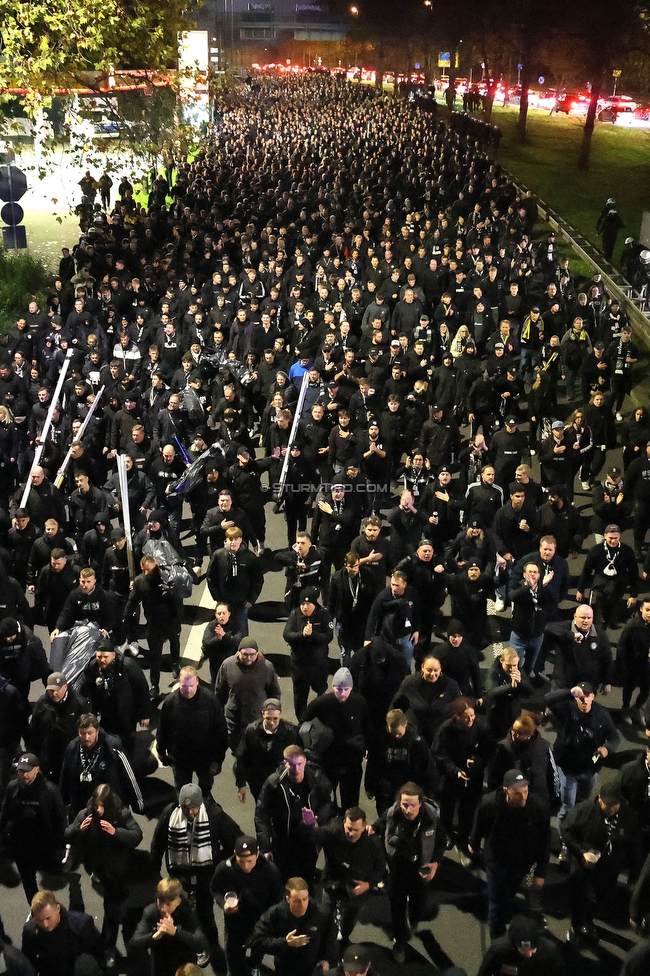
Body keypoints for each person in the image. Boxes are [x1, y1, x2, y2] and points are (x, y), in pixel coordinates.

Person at [150, 783, 242, 968]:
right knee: (181, 913)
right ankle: (187, 946)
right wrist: (154, 873)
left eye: (194, 808)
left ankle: (209, 947)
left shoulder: (213, 814)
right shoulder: (169, 814)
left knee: (206, 914)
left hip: (205, 874)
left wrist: (221, 863)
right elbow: (158, 843)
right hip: (179, 874)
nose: (191, 812)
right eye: (186, 808)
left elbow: (235, 837)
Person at [64, 784, 142, 968]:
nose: (99, 810)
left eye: (102, 806)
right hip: (98, 868)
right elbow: (66, 834)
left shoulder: (120, 813)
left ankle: (109, 947)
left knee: (113, 911)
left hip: (116, 870)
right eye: (96, 805)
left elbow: (137, 835)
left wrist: (116, 832)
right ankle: (106, 946)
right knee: (111, 908)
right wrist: (78, 830)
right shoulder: (86, 815)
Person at [372, 781, 447, 962]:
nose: (408, 809)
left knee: (418, 904)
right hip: (398, 868)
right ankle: (399, 941)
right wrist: (372, 828)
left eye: (412, 805)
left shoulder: (431, 818)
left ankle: (413, 919)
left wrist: (435, 863)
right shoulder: (392, 814)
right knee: (397, 906)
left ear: (420, 803)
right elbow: (379, 824)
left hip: (420, 868)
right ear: (399, 802)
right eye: (405, 804)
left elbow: (442, 841)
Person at [469, 769, 550, 937]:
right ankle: (497, 938)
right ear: (506, 790)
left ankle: (505, 908)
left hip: (521, 863)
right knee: (496, 902)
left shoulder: (537, 807)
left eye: (526, 791)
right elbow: (479, 825)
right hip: (496, 861)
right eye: (518, 793)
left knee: (509, 893)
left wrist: (540, 872)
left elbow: (545, 840)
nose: (523, 797)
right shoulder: (490, 803)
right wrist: (474, 844)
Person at [544, 682, 620, 858]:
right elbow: (548, 699)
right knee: (568, 805)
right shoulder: (567, 709)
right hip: (568, 769)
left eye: (588, 695)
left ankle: (578, 833)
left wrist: (607, 748)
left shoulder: (602, 715)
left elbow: (614, 737)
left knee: (585, 804)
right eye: (581, 696)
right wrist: (569, 692)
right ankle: (565, 841)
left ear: (593, 696)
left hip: (590, 769)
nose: (584, 699)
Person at [563, 778, 641, 944]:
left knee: (598, 899)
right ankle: (576, 926)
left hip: (609, 869)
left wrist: (633, 876)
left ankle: (589, 922)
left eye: (616, 804)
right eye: (609, 804)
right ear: (599, 798)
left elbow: (634, 846)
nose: (613, 808)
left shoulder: (627, 817)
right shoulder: (584, 811)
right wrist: (582, 852)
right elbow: (567, 832)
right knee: (579, 898)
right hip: (584, 867)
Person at [254, 744, 334, 884]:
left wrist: (316, 821)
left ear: (305, 762)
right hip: (283, 839)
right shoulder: (274, 783)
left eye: (299, 764)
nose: (296, 769)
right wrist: (265, 846)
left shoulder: (317, 779)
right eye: (291, 764)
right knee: (283, 880)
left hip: (308, 839)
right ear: (285, 763)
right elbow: (261, 814)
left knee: (307, 878)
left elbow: (328, 804)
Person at [210, 835, 284, 976]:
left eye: (249, 861)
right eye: (241, 861)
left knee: (258, 949)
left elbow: (277, 898)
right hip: (235, 922)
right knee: (233, 956)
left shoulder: (270, 871)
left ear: (257, 855)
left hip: (260, 921)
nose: (246, 866)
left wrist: (269, 919)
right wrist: (223, 903)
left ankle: (255, 966)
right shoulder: (225, 868)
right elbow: (215, 889)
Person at [0, 752, 67, 906]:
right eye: (21, 771)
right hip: (21, 845)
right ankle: (36, 909)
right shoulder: (12, 788)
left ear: (37, 769)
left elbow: (60, 820)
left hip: (44, 845)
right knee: (28, 882)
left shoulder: (50, 791)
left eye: (27, 771)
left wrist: (60, 845)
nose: (23, 774)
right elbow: (5, 813)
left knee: (51, 880)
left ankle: (51, 909)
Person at [301, 667, 372, 810]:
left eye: (346, 689)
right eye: (338, 689)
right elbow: (302, 725)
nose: (342, 693)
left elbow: (367, 727)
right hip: (327, 761)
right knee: (325, 802)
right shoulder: (320, 703)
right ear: (333, 687)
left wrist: (368, 747)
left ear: (351, 688)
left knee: (351, 803)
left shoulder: (359, 702)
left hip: (351, 761)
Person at [433, 698, 494, 864]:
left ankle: (463, 839)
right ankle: (446, 835)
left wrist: (475, 761)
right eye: (466, 717)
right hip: (451, 776)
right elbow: (440, 755)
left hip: (473, 776)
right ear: (457, 716)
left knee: (468, 810)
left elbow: (487, 750)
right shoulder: (445, 730)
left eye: (473, 716)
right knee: (447, 808)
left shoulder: (480, 727)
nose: (471, 720)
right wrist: (455, 771)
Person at [156, 666, 228, 797]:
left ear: (197, 682)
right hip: (180, 758)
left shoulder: (210, 700)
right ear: (179, 682)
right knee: (182, 789)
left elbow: (220, 731)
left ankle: (205, 802)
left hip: (205, 757)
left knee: (205, 787)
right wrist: (161, 751)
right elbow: (163, 729)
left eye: (191, 685)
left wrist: (218, 759)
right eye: (184, 686)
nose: (188, 690)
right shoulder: (170, 702)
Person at [319, 806, 386, 944]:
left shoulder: (373, 844)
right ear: (344, 824)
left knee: (350, 919)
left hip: (357, 888)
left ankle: (344, 937)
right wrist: (308, 826)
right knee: (325, 915)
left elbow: (380, 869)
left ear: (364, 827)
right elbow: (314, 835)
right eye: (348, 828)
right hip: (333, 881)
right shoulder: (335, 833)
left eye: (355, 829)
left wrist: (368, 885)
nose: (351, 833)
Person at [246, 877, 338, 976]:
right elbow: (257, 941)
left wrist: (326, 959)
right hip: (285, 969)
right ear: (288, 899)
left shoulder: (320, 914)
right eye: (297, 901)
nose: (302, 905)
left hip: (312, 969)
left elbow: (331, 939)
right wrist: (285, 942)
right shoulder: (275, 914)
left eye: (305, 899)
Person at [59, 713, 143, 816]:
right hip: (81, 807)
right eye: (82, 733)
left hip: (109, 805)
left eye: (90, 733)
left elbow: (129, 776)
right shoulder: (72, 748)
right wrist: (62, 804)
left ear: (97, 731)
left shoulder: (113, 747)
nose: (86, 737)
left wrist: (138, 804)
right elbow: (65, 778)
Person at [77, 639, 150, 756]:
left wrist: (144, 715)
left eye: (105, 657)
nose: (102, 660)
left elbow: (142, 690)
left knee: (127, 742)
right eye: (99, 657)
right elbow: (85, 687)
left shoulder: (128, 666)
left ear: (113, 655)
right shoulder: (93, 666)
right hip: (106, 712)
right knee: (107, 741)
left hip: (126, 713)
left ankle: (127, 762)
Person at [124, 554, 183, 695]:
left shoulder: (167, 578)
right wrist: (126, 617)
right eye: (143, 570)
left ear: (154, 566)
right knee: (155, 656)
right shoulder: (140, 582)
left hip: (171, 621)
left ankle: (175, 663)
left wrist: (178, 618)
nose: (145, 573)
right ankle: (154, 685)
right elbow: (132, 601)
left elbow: (178, 600)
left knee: (175, 643)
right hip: (153, 623)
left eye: (148, 570)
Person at [215, 637, 281, 761]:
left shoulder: (267, 667)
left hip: (256, 720)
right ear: (238, 652)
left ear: (257, 653)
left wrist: (271, 714)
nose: (249, 658)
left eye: (252, 655)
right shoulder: (228, 665)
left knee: (255, 752)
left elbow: (274, 693)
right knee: (237, 752)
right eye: (245, 654)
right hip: (234, 720)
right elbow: (220, 691)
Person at [128, 877, 209, 976]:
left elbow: (201, 944)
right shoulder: (151, 912)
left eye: (168, 904)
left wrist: (176, 932)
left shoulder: (189, 912)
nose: (163, 908)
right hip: (160, 967)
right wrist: (154, 936)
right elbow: (134, 943)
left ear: (178, 901)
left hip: (184, 967)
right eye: (160, 901)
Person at [487, 714, 561, 817]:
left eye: (518, 733)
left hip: (537, 802)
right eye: (513, 730)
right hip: (513, 804)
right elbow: (494, 777)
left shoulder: (544, 747)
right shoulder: (504, 748)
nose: (514, 735)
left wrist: (555, 800)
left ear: (529, 735)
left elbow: (553, 775)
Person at [22, 889, 104, 976]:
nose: (45, 924)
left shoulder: (81, 925)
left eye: (48, 918)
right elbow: (28, 961)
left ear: (57, 908)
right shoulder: (30, 930)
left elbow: (97, 952)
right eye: (39, 920)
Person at [282, 587, 334, 720]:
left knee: (320, 690)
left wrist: (313, 635)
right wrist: (301, 634)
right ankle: (301, 720)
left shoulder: (323, 615)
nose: (304, 607)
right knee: (300, 697)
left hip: (318, 665)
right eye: (302, 604)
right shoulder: (295, 614)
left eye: (308, 604)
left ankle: (321, 716)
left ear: (314, 604)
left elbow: (328, 637)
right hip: (299, 665)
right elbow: (287, 634)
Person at [236, 699, 301, 804]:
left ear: (280, 715)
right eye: (268, 718)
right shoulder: (252, 731)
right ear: (262, 715)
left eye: (275, 719)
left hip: (281, 781)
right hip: (258, 782)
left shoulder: (291, 732)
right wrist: (241, 784)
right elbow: (242, 757)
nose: (271, 723)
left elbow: (299, 757)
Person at [576, 524, 639, 629]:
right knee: (596, 608)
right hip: (600, 582)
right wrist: (580, 589)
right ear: (605, 536)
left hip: (618, 583)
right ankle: (597, 630)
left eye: (616, 538)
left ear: (620, 537)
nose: (613, 541)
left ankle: (610, 620)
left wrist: (634, 594)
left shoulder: (626, 551)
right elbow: (587, 570)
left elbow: (634, 572)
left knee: (613, 606)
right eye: (610, 538)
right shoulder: (596, 550)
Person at [26, 672, 84, 783]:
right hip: (47, 758)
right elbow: (34, 733)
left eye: (57, 690)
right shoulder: (42, 703)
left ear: (65, 687)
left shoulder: (78, 703)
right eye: (51, 690)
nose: (54, 693)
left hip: (70, 757)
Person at [205, 527, 264, 637]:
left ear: (241, 540)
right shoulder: (218, 555)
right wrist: (217, 597)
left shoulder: (250, 557)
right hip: (224, 601)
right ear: (226, 540)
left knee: (241, 629)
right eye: (230, 539)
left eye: (236, 539)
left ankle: (243, 651)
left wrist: (251, 600)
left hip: (242, 602)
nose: (233, 542)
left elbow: (258, 580)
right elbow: (210, 577)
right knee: (223, 630)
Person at [391, 654, 461, 746]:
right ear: (422, 667)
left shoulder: (450, 685)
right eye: (429, 670)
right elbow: (395, 708)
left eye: (436, 670)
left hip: (439, 738)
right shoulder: (409, 683)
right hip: (414, 737)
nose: (432, 674)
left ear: (440, 669)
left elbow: (460, 709)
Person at [545, 605, 613, 692]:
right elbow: (548, 628)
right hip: (564, 683)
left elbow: (607, 659)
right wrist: (571, 635)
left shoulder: (600, 634)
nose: (586, 621)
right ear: (575, 616)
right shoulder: (566, 627)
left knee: (583, 706)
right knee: (557, 704)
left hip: (587, 685)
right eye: (583, 617)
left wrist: (607, 682)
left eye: (589, 618)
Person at [327, 552, 376, 667]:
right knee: (345, 653)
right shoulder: (337, 578)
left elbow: (373, 598)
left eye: (357, 566)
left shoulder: (368, 575)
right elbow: (331, 602)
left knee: (361, 652)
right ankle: (346, 675)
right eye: (352, 567)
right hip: (344, 622)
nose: (355, 569)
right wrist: (330, 619)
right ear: (345, 565)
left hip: (362, 622)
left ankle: (359, 674)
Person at [477, 914, 567, 976]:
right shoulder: (498, 950)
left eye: (532, 950)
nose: (528, 955)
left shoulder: (550, 951)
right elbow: (484, 972)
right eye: (523, 950)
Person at [364, 571, 420, 667]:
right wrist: (368, 638)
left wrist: (417, 630)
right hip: (387, 638)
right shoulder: (383, 596)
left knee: (406, 666)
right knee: (386, 666)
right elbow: (373, 616)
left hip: (406, 637)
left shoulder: (412, 594)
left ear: (405, 584)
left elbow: (417, 613)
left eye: (397, 585)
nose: (394, 588)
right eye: (392, 585)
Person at [617, 597, 650, 727]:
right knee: (629, 688)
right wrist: (623, 665)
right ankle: (625, 709)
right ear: (641, 609)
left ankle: (637, 709)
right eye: (647, 610)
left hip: (647, 666)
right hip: (633, 664)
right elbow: (621, 646)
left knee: (646, 689)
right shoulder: (632, 625)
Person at [201, 603, 244, 688]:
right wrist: (218, 639)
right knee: (216, 684)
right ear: (215, 615)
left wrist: (224, 636)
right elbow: (206, 643)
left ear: (229, 614)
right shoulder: (211, 626)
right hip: (215, 662)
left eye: (224, 613)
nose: (221, 616)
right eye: (219, 613)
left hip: (232, 662)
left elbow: (237, 642)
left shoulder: (236, 626)